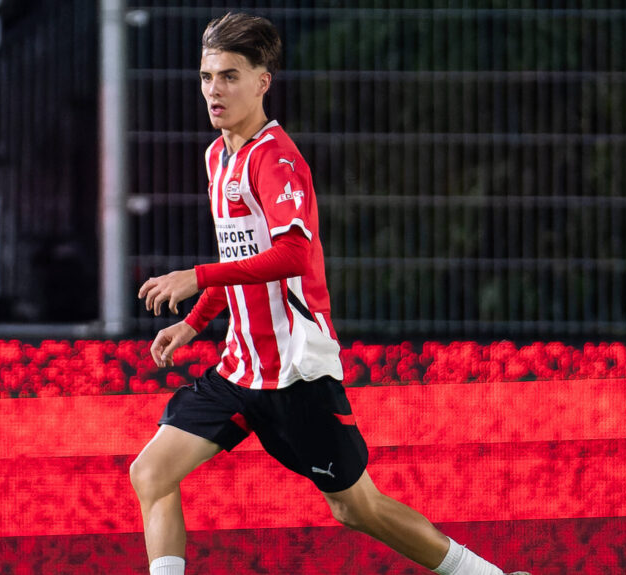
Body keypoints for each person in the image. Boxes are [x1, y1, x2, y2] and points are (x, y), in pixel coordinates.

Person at [131, 12, 529, 575]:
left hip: (297, 374)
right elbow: (243, 256)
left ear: (262, 81)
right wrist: (195, 322)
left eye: (229, 76)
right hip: (240, 371)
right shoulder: (217, 157)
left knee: (355, 507)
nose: (213, 91)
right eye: (205, 77)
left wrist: (197, 276)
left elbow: (293, 254)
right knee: (151, 472)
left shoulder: (277, 159)